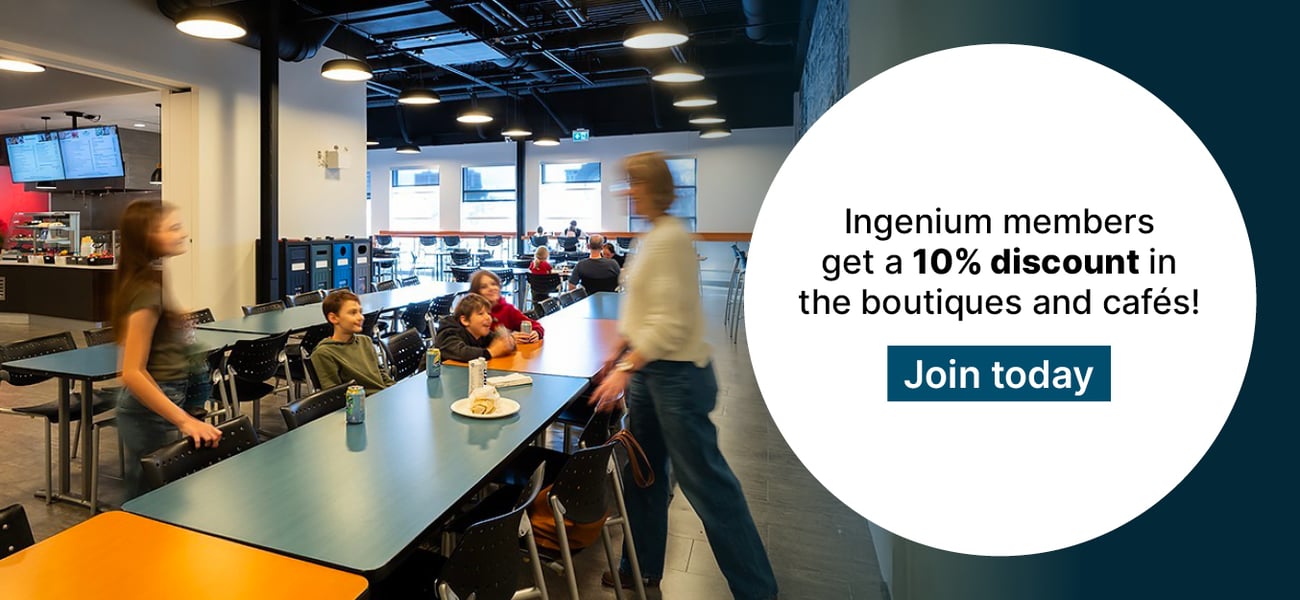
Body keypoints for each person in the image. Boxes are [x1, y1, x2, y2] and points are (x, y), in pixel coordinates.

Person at [589, 152, 777, 599]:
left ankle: (758, 589)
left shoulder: (671, 237)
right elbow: (642, 309)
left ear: (653, 186)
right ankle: (640, 567)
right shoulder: (648, 238)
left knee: (707, 485)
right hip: (652, 377)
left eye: (633, 183)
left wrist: (627, 366)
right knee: (645, 476)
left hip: (678, 378)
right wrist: (619, 350)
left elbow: (670, 322)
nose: (626, 191)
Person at [112, 200, 222, 500]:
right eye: (172, 228)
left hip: (163, 399)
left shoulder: (151, 280)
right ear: (146, 238)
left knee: (159, 495)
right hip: (149, 409)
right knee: (146, 498)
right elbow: (132, 373)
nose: (182, 232)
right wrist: (185, 421)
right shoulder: (146, 290)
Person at [309, 290, 396, 393]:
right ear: (333, 318)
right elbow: (334, 395)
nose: (361, 317)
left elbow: (382, 374)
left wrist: (394, 391)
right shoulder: (324, 354)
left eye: (360, 312)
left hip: (383, 397)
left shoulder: (366, 341)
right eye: (353, 313)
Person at [434, 293, 516, 362]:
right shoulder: (449, 332)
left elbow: (498, 342)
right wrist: (491, 352)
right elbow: (462, 352)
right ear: (465, 320)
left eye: (488, 313)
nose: (488, 318)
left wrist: (509, 342)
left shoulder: (480, 333)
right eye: (481, 314)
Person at [469, 269, 543, 343]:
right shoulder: (473, 314)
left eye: (494, 284)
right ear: (476, 292)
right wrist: (509, 338)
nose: (491, 288)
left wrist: (536, 333)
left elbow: (535, 325)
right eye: (484, 287)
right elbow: (478, 341)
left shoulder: (508, 309)